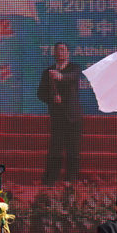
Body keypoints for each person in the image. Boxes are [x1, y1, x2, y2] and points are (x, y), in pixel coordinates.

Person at [37, 42, 83, 186]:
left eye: (63, 50)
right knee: (55, 150)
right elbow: (40, 94)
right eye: (57, 50)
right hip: (57, 116)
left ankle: (70, 180)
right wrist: (52, 98)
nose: (60, 53)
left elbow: (71, 77)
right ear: (54, 53)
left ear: (68, 53)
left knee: (73, 150)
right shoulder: (48, 72)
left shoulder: (74, 68)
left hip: (73, 116)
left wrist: (59, 77)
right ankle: (50, 180)